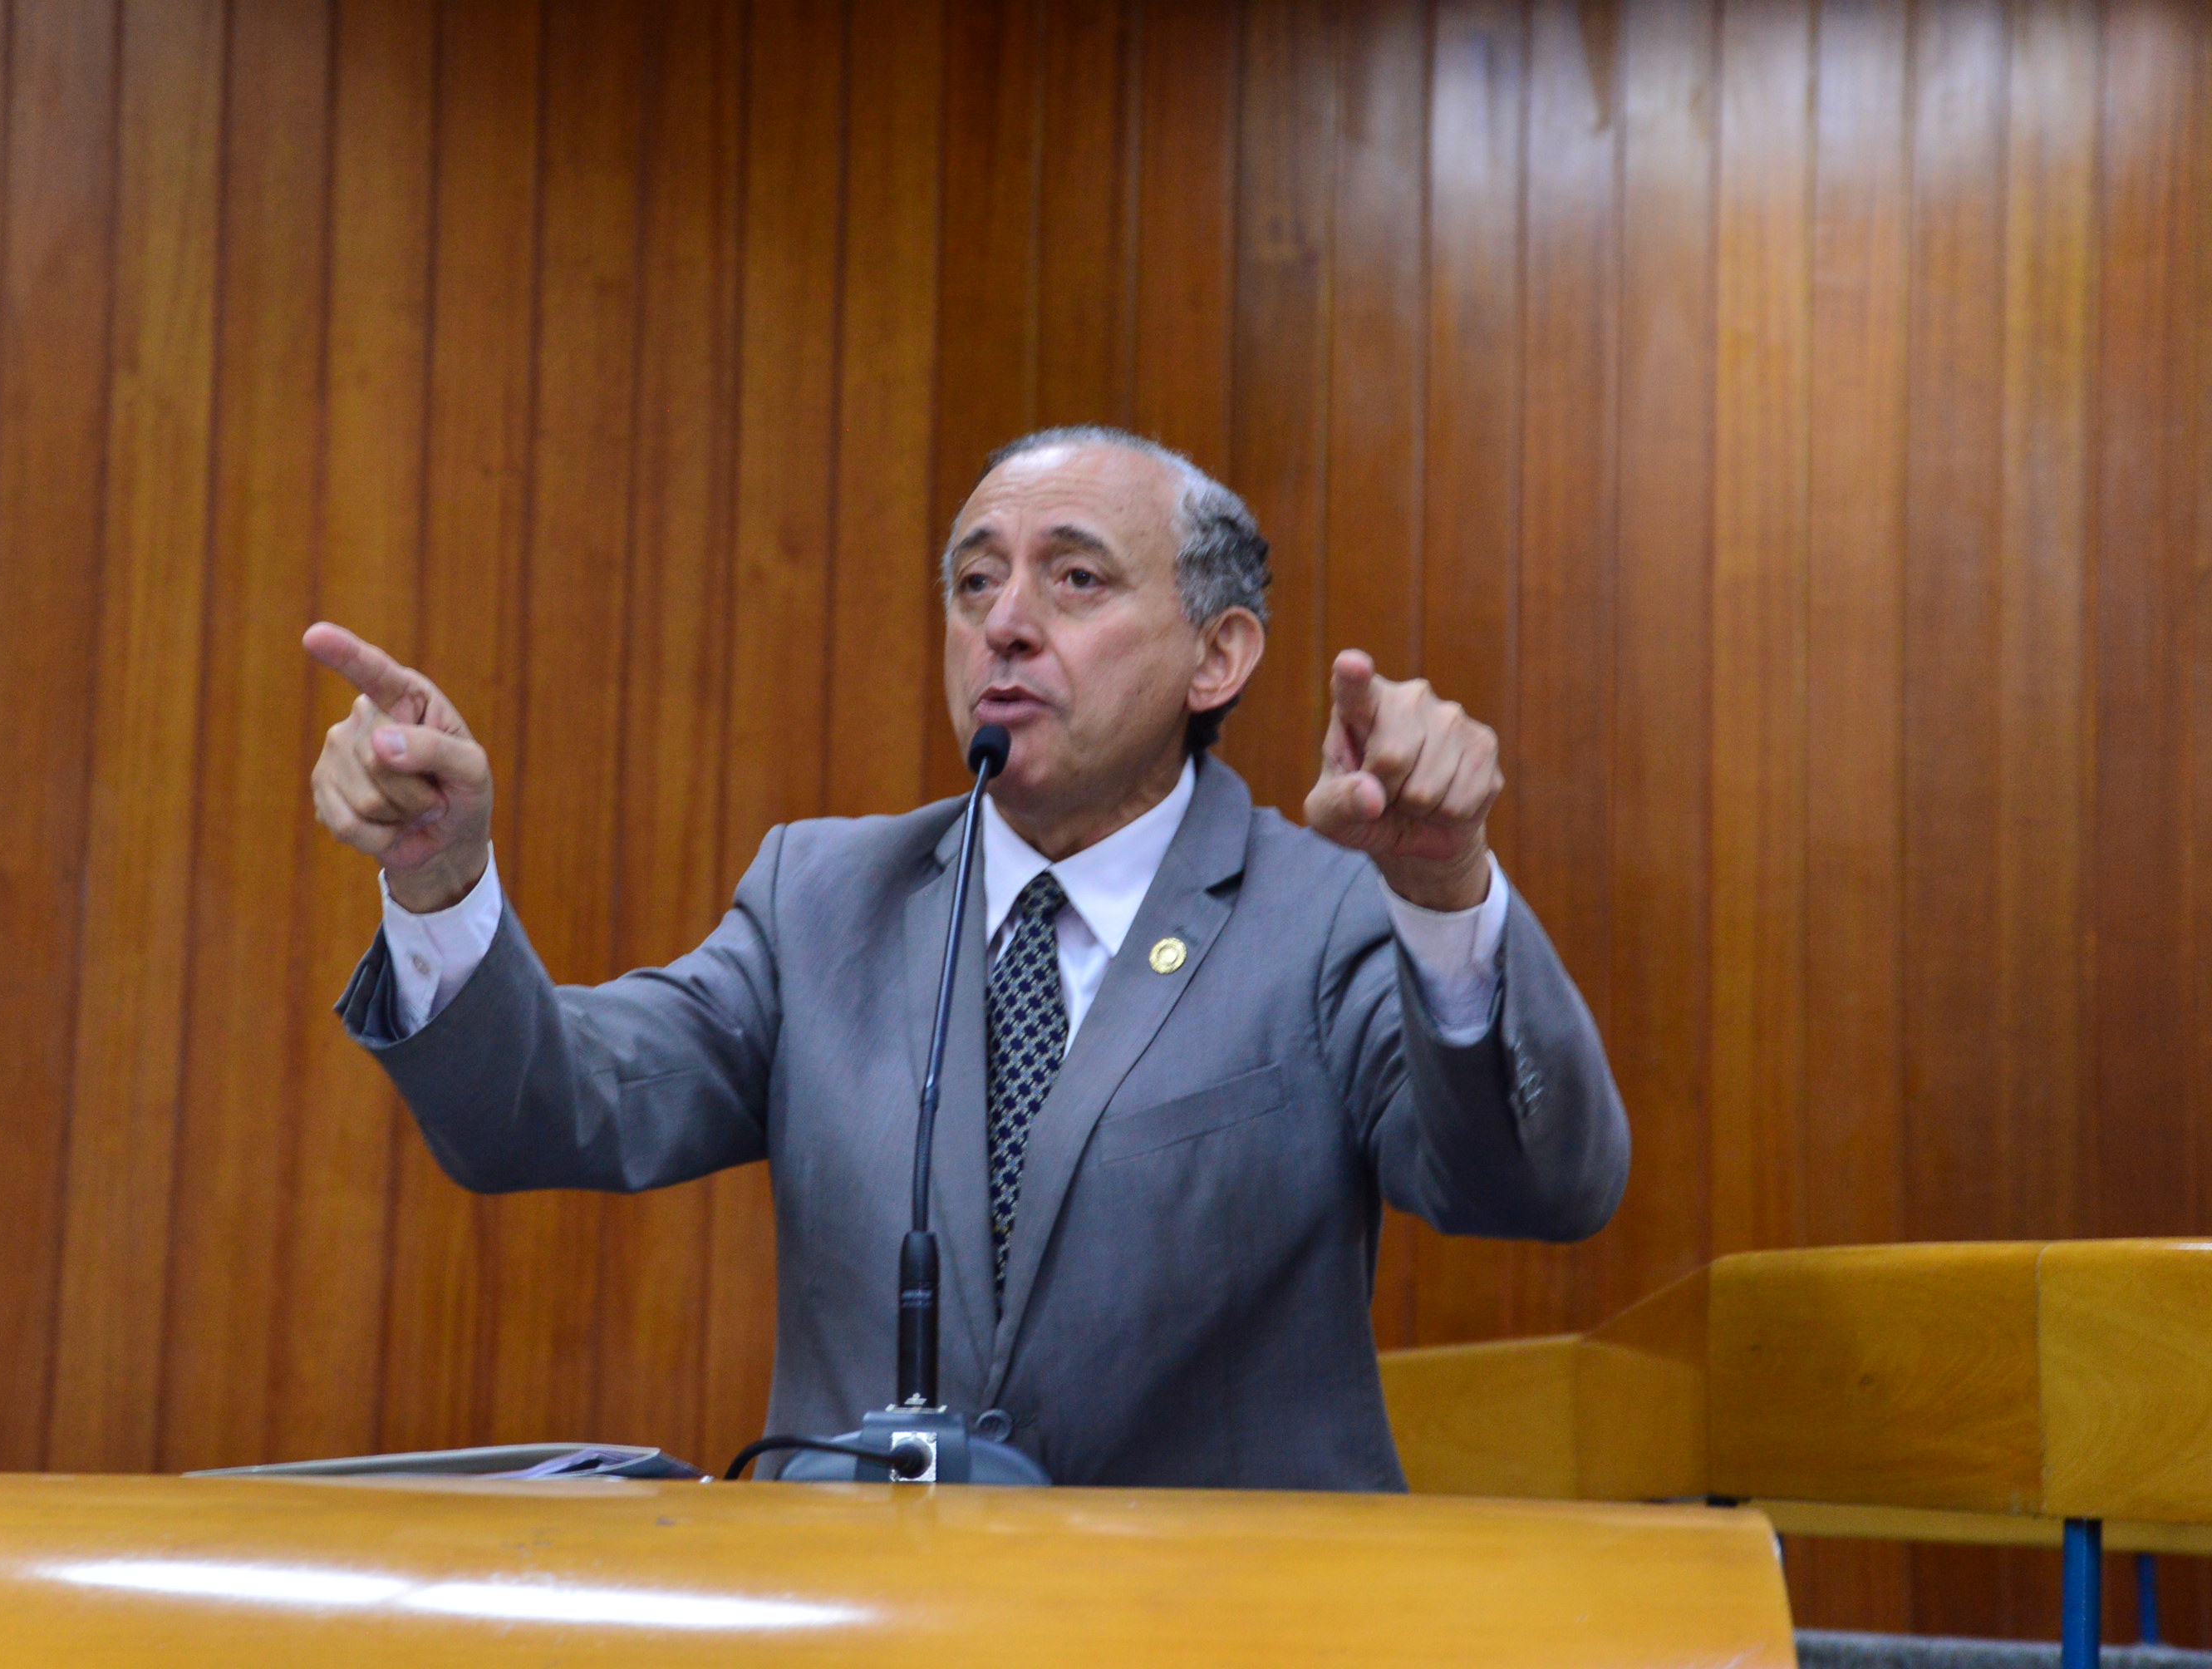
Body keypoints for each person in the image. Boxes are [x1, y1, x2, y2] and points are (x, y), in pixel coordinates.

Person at [306, 426, 1628, 1489]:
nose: (1005, 622)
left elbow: (1537, 1185)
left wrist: (1445, 893)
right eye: (975, 581)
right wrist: (441, 879)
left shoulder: (1328, 911)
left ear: (1217, 656)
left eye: (1076, 579)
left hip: (1211, 1625)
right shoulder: (823, 900)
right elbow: (552, 1109)